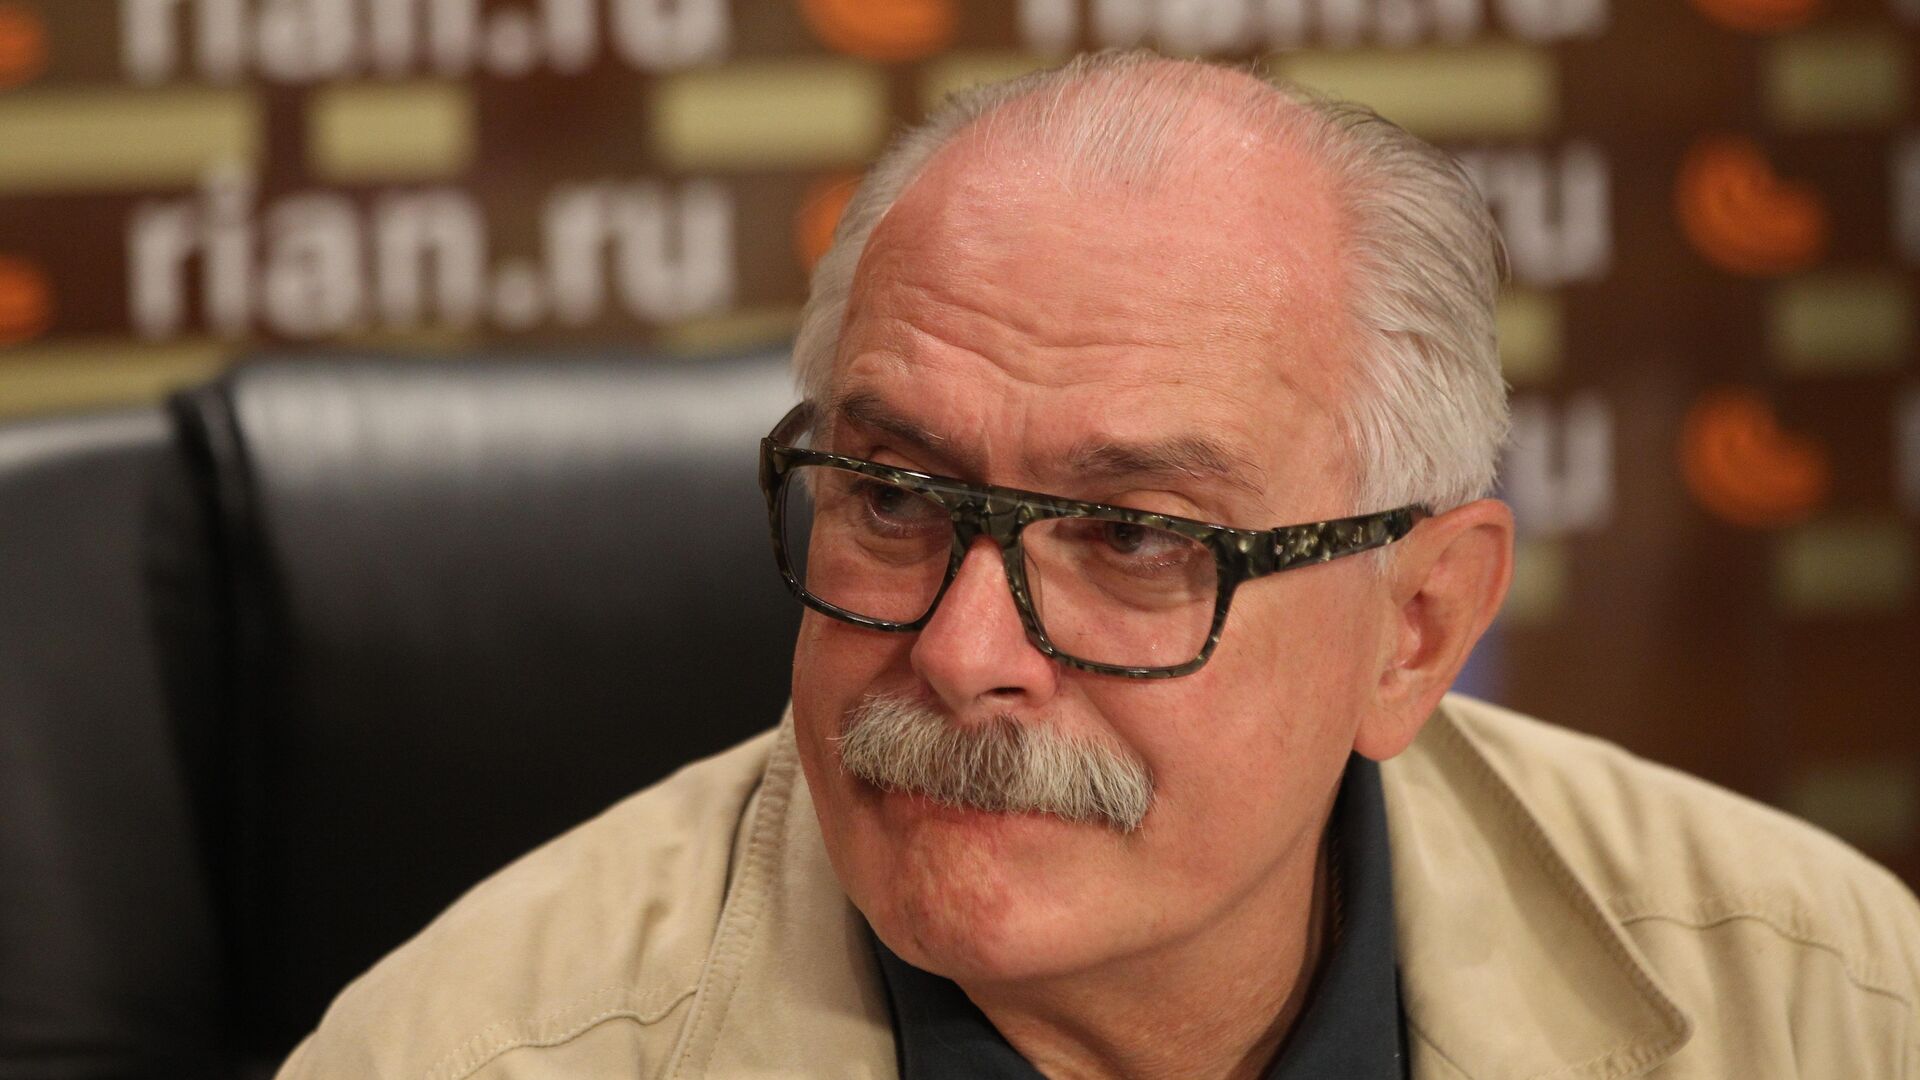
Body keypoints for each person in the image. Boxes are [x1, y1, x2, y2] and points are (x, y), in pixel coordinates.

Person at [276, 51, 1920, 1079]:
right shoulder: (459, 1056)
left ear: (1415, 631)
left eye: (1134, 537)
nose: (960, 652)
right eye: (893, 496)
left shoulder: (1818, 1002)